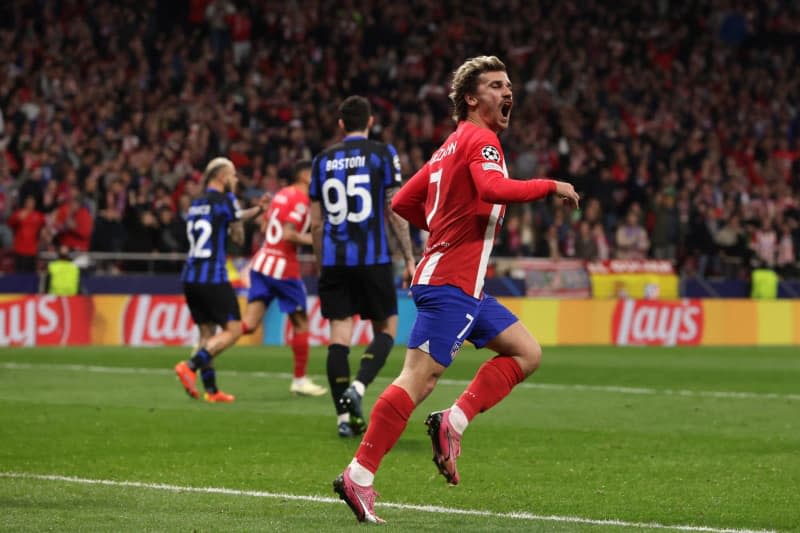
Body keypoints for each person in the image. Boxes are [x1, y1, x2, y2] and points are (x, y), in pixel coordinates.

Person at [332, 56, 580, 523]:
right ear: (471, 98)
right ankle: (359, 475)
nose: (508, 93)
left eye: (509, 86)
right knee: (417, 378)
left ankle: (454, 420)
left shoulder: (449, 146)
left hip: (465, 285)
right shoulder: (482, 140)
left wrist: (442, 224)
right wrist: (550, 185)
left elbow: (404, 201)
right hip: (450, 283)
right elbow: (490, 188)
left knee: (526, 352)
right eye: (495, 85)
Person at [309, 95, 416, 438]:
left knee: (338, 337)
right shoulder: (382, 154)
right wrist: (410, 256)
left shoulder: (322, 161)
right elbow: (395, 209)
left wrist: (320, 262)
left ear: (341, 124)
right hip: (373, 260)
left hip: (335, 262)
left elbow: (315, 224)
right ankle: (357, 388)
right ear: (370, 122)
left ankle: (343, 417)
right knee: (386, 329)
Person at [174, 157, 270, 403]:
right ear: (222, 177)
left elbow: (230, 218)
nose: (236, 180)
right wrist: (249, 215)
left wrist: (256, 210)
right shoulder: (225, 200)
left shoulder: (197, 203)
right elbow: (237, 237)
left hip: (190, 277)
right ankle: (191, 365)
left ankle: (212, 390)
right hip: (213, 276)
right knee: (234, 330)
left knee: (207, 333)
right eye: (233, 175)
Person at [241, 160, 327, 397]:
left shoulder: (281, 195)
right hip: (283, 268)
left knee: (247, 325)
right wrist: (318, 240)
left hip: (262, 261)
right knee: (301, 323)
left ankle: (203, 354)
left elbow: (264, 227)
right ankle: (299, 380)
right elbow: (288, 234)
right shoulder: (300, 199)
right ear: (303, 175)